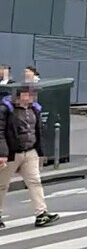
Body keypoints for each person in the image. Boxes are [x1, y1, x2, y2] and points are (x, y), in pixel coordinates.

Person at [0, 86, 59, 229]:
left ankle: (41, 213)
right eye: (29, 94)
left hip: (30, 151)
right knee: (2, 185)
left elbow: (38, 131)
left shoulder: (34, 109)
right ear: (20, 96)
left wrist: (40, 152)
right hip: (12, 153)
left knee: (35, 181)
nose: (32, 97)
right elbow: (0, 132)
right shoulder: (6, 109)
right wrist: (2, 154)